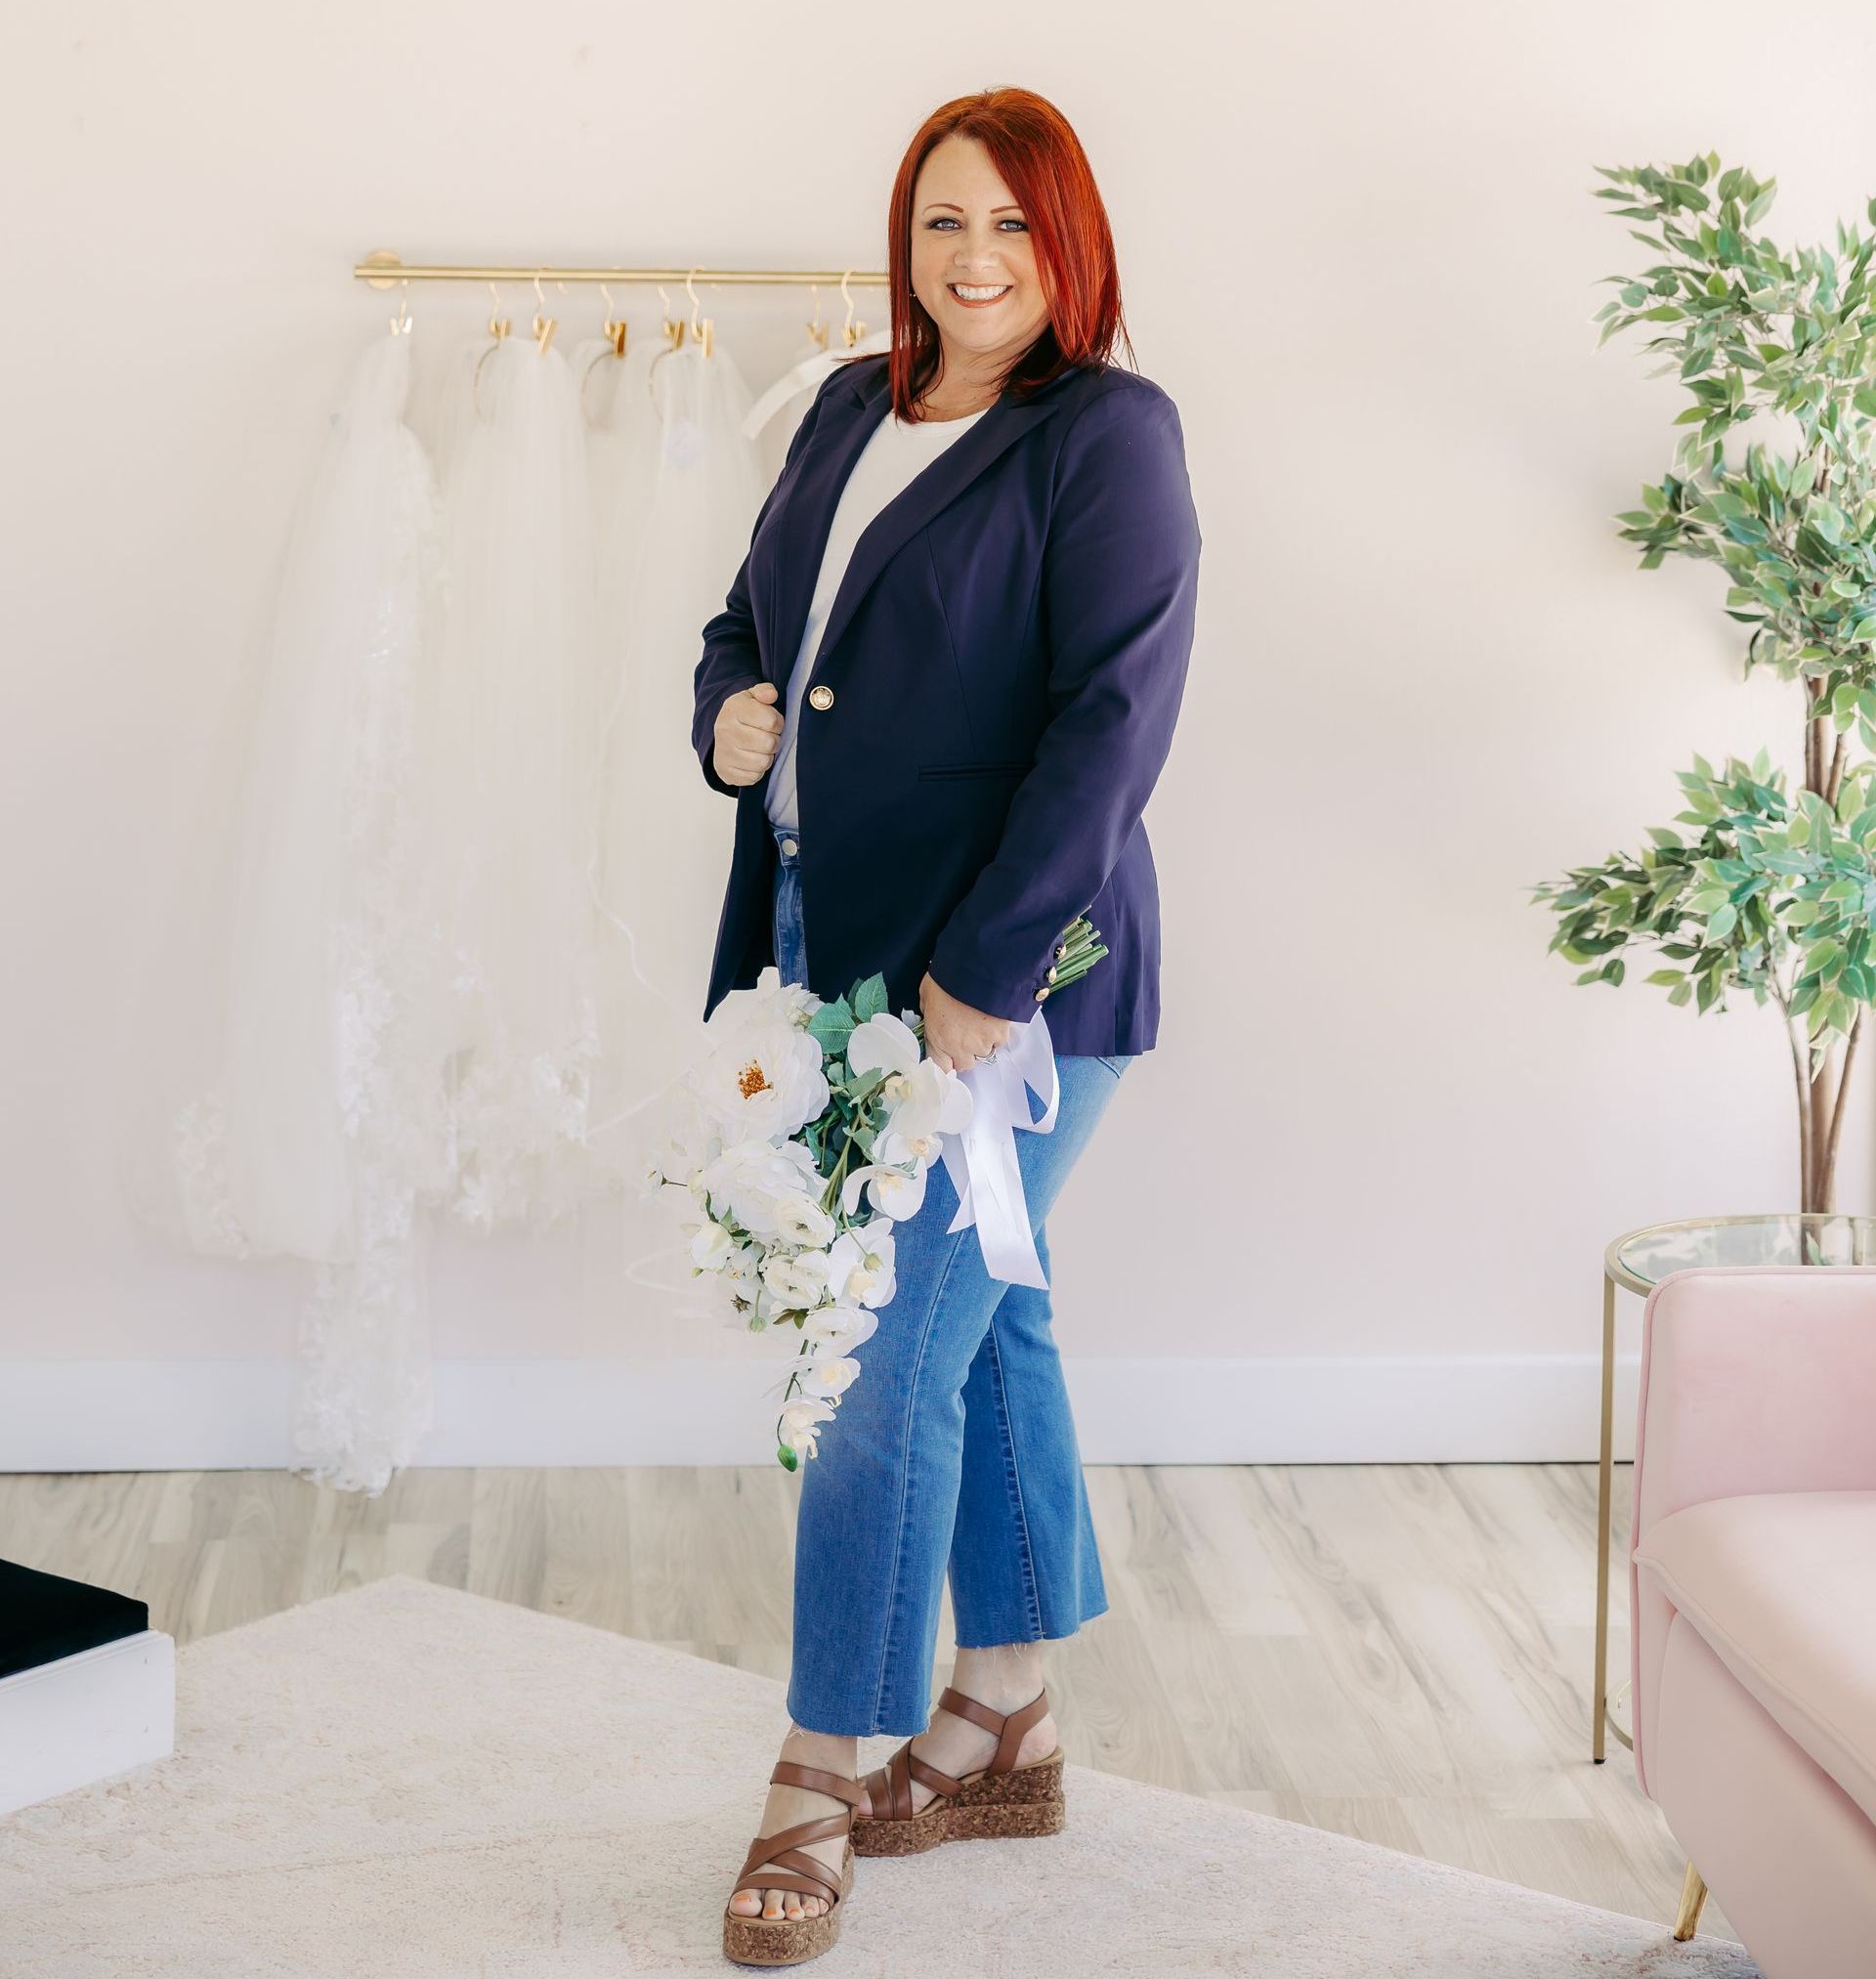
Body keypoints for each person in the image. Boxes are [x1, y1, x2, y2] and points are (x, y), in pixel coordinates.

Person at [693, 84, 1202, 1967]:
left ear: (1065, 241)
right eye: (939, 223)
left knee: (882, 1353)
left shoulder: (1107, 437)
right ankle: (1004, 1719)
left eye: (1008, 224)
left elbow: (1114, 724)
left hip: (1014, 984)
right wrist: (728, 714)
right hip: (832, 959)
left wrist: (985, 978)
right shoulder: (847, 406)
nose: (971, 260)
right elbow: (744, 630)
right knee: (994, 1310)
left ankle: (823, 1763)